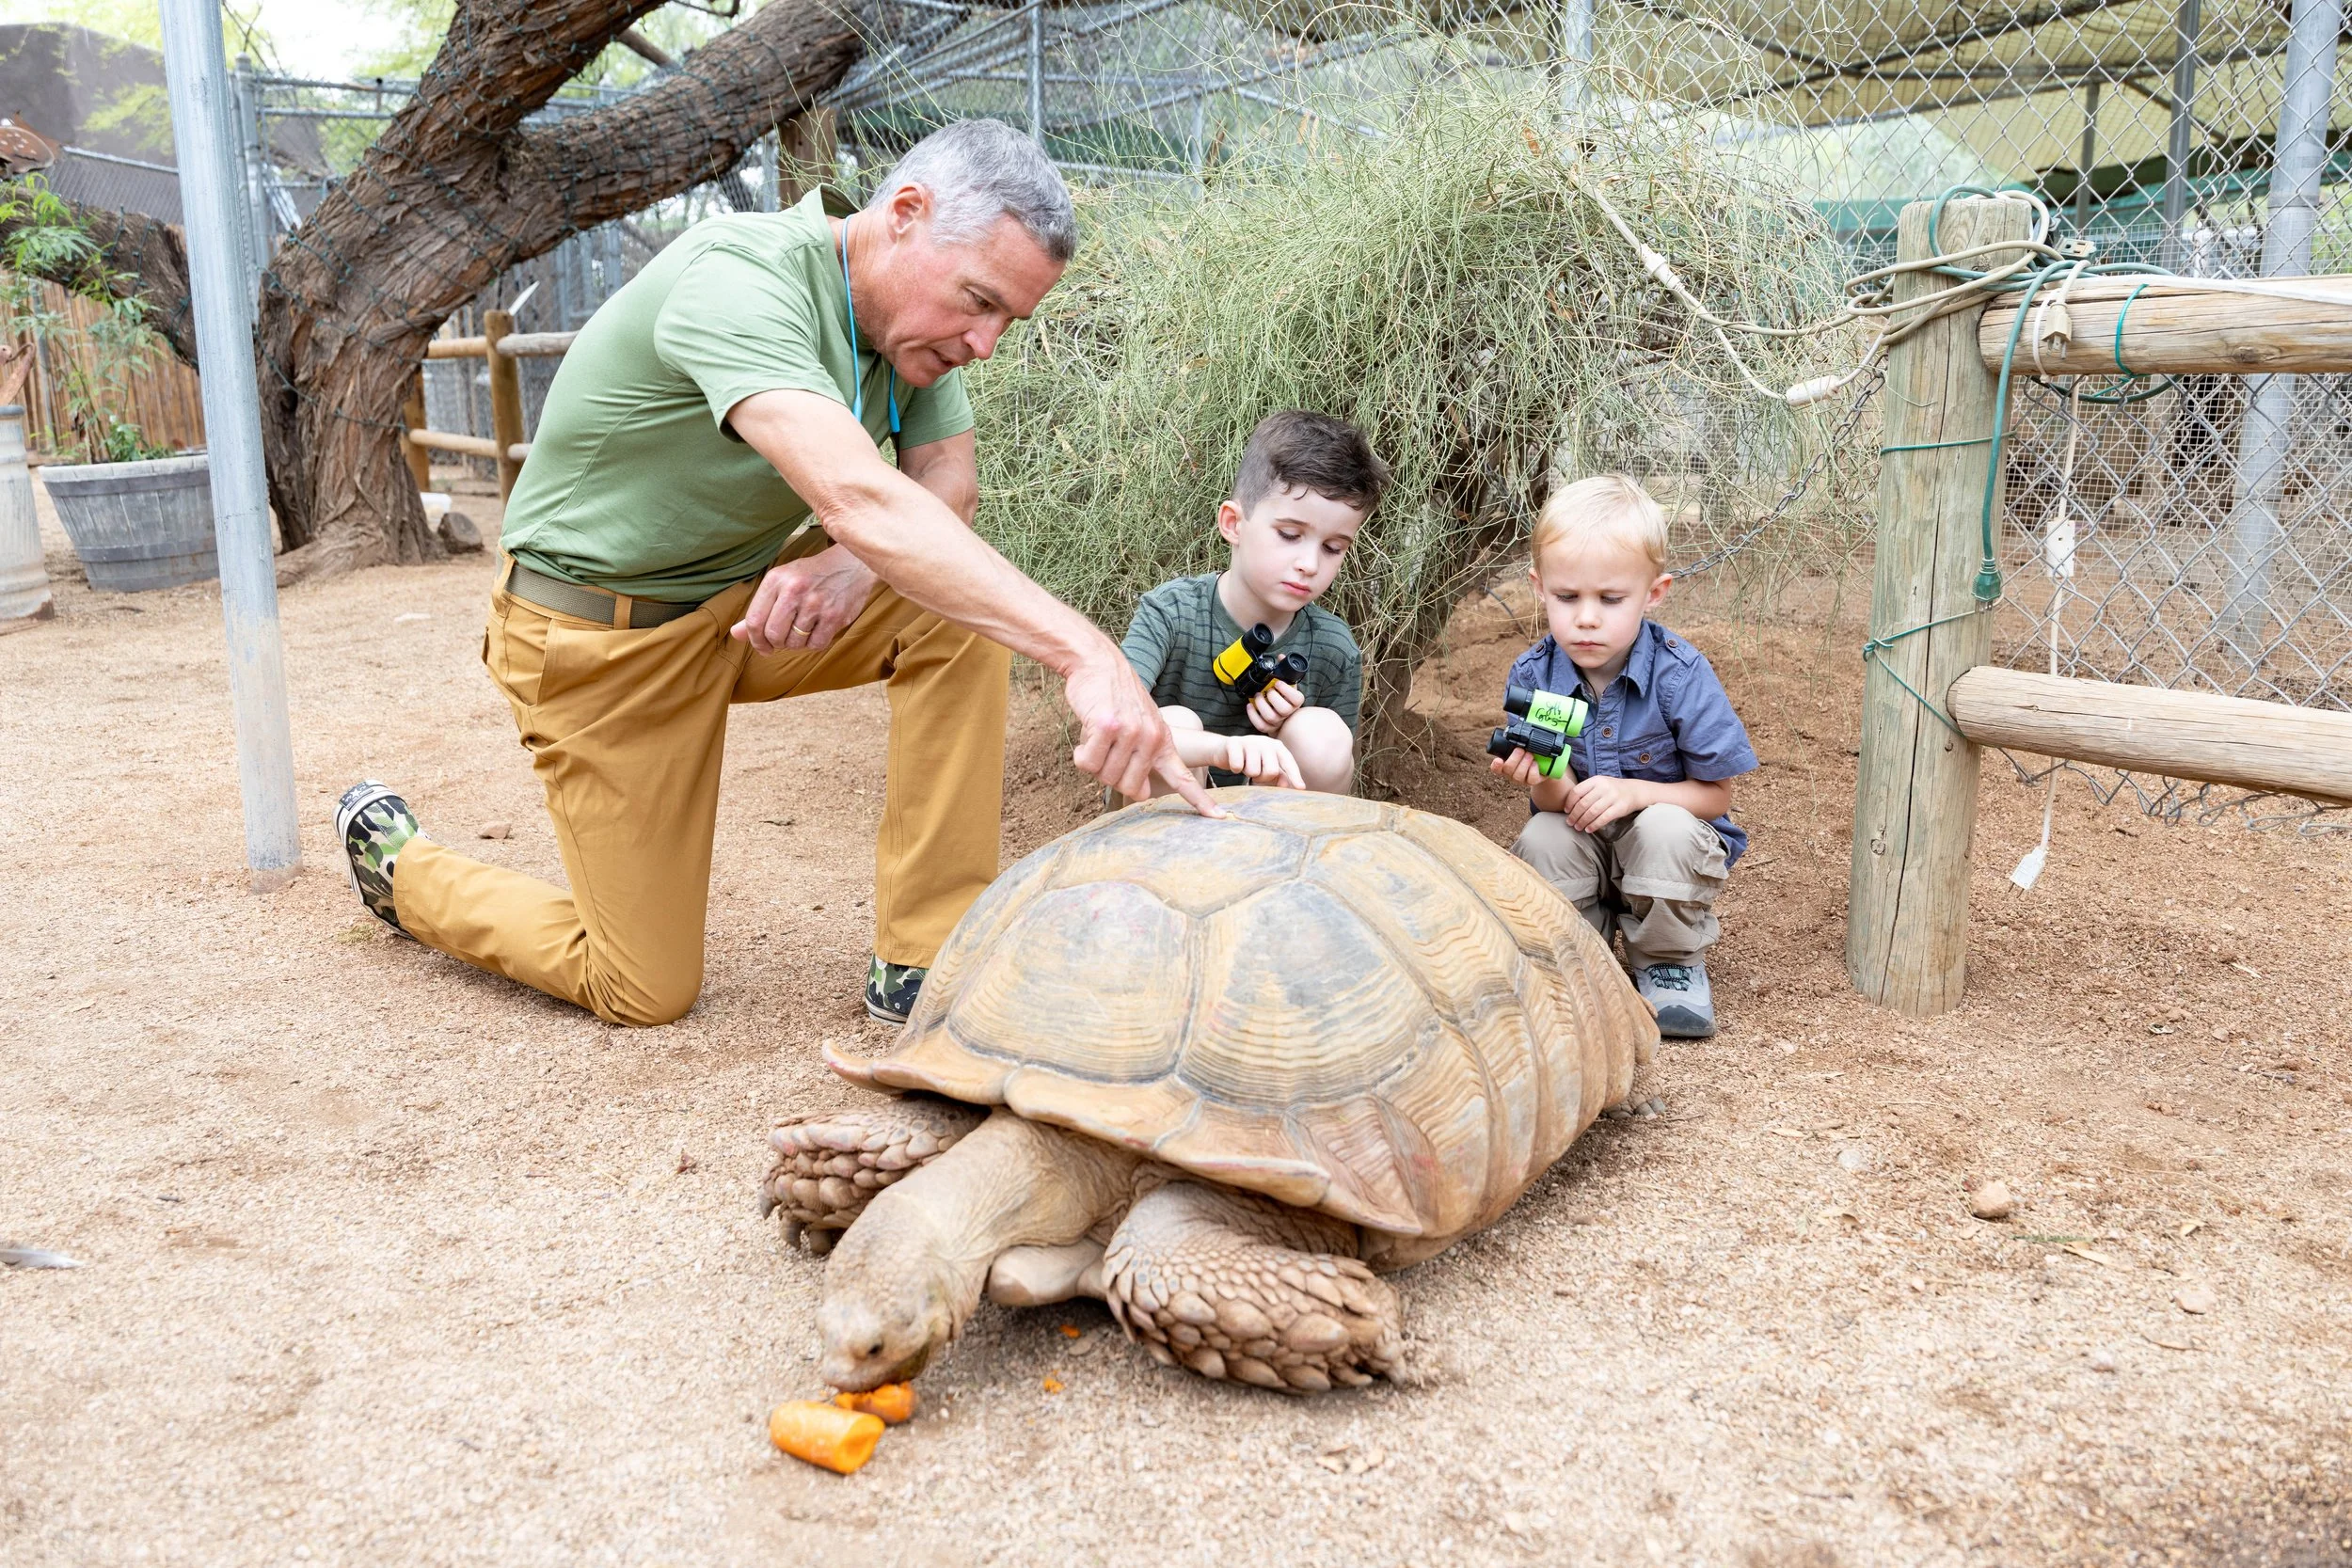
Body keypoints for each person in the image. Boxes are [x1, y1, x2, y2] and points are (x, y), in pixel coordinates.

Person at [332, 119, 1213, 1030]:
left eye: (1007, 321)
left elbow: (947, 480)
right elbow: (865, 501)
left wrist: (855, 566)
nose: (985, 343)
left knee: (951, 611)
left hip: (741, 609)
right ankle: (405, 871)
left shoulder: (907, 332)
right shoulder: (739, 278)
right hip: (601, 640)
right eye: (978, 301)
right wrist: (1086, 653)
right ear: (905, 213)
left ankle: (922, 955)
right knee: (642, 986)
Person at [1489, 474, 1756, 1037]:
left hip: (1663, 853)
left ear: (1653, 593)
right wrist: (1544, 774)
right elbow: (1552, 802)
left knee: (1666, 828)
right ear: (1540, 588)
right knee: (1542, 837)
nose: (1587, 618)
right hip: (1582, 844)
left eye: (1610, 600)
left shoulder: (1679, 673)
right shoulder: (1535, 677)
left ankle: (1669, 963)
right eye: (1567, 598)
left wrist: (1635, 793)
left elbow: (1716, 797)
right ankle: (1575, 957)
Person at [1118, 410, 1387, 796]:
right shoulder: (1170, 613)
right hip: (1164, 826)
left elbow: (1335, 773)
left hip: (1272, 827)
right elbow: (1119, 724)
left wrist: (1280, 733)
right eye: (1290, 535)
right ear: (1233, 524)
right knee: (1172, 720)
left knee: (1320, 734)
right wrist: (1224, 750)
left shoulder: (1334, 647)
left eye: (1332, 548)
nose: (1309, 565)